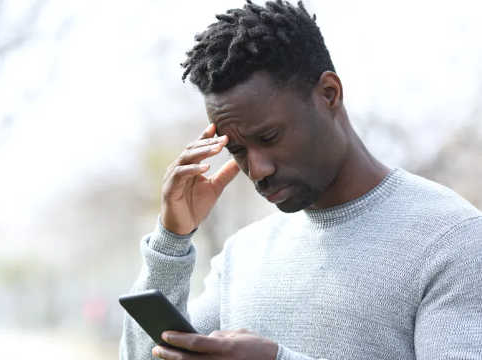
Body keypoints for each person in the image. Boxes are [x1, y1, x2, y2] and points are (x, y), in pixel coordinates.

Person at [120, 1, 482, 359]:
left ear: (329, 95)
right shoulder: (243, 255)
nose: (257, 169)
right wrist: (171, 241)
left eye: (270, 137)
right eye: (238, 151)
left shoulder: (453, 240)